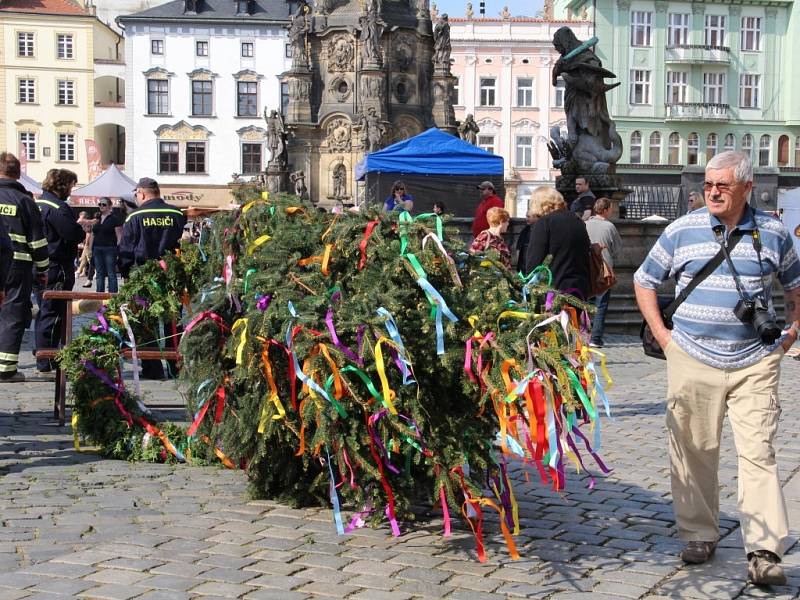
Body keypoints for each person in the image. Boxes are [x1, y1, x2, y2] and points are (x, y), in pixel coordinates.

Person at [634, 151, 800, 586]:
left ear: (747, 187)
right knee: (693, 449)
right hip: (691, 356)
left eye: (722, 185)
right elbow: (644, 280)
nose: (712, 192)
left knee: (758, 453)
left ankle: (763, 550)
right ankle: (699, 534)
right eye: (708, 185)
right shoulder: (682, 230)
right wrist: (665, 339)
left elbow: (796, 286)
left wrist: (791, 331)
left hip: (755, 361)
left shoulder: (774, 232)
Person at [119, 177, 185, 380]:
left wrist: (125, 273)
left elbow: (126, 249)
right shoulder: (176, 214)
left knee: (146, 320)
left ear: (142, 194)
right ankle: (176, 367)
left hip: (143, 276)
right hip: (170, 274)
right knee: (173, 320)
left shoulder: (135, 217)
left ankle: (152, 367)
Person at [0, 153, 49, 382]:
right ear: (18, 174)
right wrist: (42, 269)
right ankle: (6, 369)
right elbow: (37, 241)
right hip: (17, 266)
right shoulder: (24, 201)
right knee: (13, 315)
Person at [34, 168, 84, 374]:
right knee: (53, 313)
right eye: (71, 186)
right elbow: (73, 234)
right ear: (62, 185)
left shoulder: (37, 204)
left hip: (38, 264)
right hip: (57, 265)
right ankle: (48, 360)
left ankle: (42, 354)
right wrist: (80, 229)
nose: (71, 191)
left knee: (44, 310)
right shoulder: (58, 207)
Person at [524, 186, 591, 299]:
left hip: (553, 289)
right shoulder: (577, 220)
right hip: (579, 286)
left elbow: (534, 261)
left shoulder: (544, 223)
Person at [585, 197, 622, 348]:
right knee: (601, 305)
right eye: (611, 209)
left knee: (585, 303)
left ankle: (583, 334)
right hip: (603, 271)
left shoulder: (585, 224)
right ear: (605, 210)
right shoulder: (609, 227)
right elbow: (616, 249)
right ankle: (595, 338)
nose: (612, 212)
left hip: (587, 269)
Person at [92, 197, 123, 293]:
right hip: (97, 248)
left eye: (104, 204)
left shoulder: (115, 219)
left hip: (110, 248)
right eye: (100, 204)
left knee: (111, 273)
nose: (101, 206)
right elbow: (93, 235)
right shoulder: (97, 218)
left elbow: (119, 236)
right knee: (99, 273)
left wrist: (118, 250)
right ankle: (99, 296)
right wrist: (89, 249)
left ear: (110, 206)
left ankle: (112, 297)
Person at [515, 204, 540, 274]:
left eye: (528, 217)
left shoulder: (541, 231)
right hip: (524, 265)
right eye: (526, 216)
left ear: (536, 217)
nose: (526, 219)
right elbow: (518, 248)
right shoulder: (525, 230)